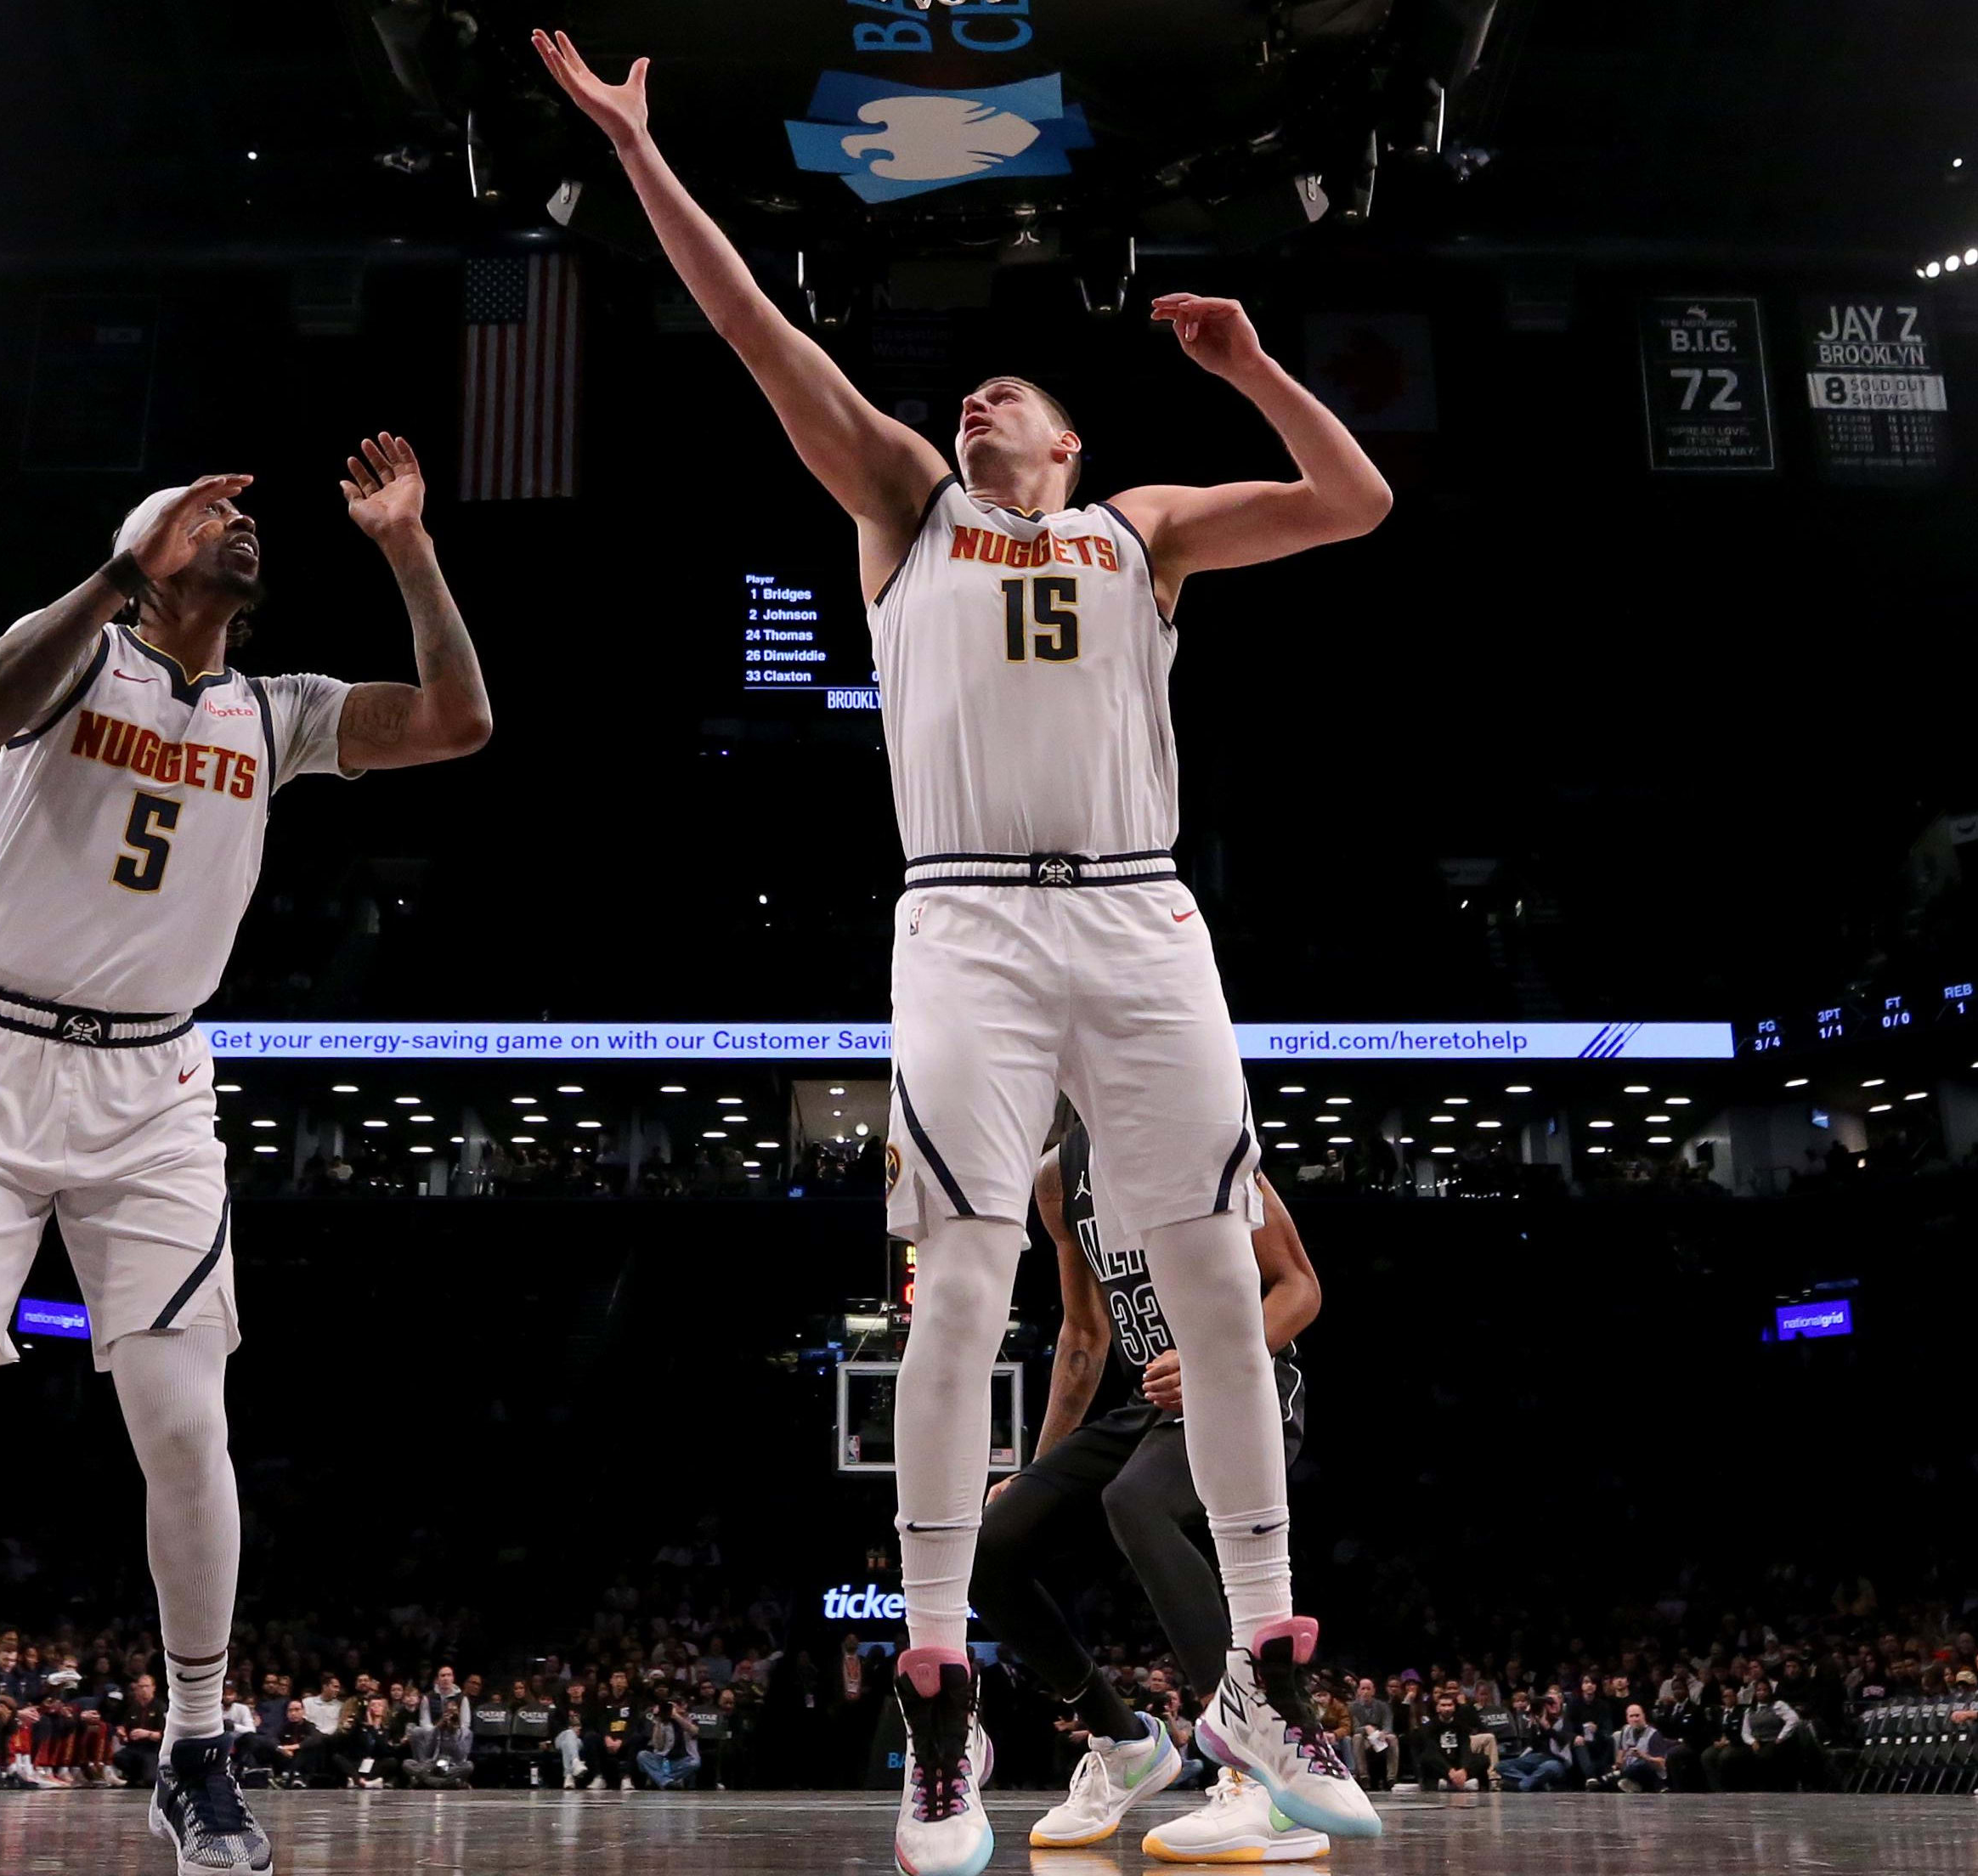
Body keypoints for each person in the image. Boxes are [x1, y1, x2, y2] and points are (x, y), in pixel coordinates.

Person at [534, 31, 1392, 1876]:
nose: (989, 388)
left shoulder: (1139, 528)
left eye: (1018, 388)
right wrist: (632, 155)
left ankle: (1259, 1670)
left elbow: (1353, 506)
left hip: (1143, 906)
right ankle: (940, 1700)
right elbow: (761, 327)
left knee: (1217, 1281)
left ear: (1069, 445)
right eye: (979, 386)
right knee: (965, 1272)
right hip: (969, 916)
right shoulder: (905, 508)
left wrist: (1252, 373)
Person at [0, 436, 494, 1876]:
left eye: (245, 521)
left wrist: (405, 546)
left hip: (151, 1085)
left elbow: (459, 718)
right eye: (208, 514)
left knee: (185, 1424)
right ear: (149, 546)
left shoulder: (278, 711)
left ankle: (196, 1741)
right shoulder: (81, 661)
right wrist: (110, 571)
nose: (238, 527)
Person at [976, 1112, 1320, 1858]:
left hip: (1248, 1383)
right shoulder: (1057, 1175)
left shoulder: (1195, 1131)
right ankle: (1123, 1739)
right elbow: (1084, 1337)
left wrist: (1209, 1360)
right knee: (991, 1543)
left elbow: (1299, 1287)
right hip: (1151, 1404)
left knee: (1133, 1500)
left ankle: (1256, 1771)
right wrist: (1036, 1471)